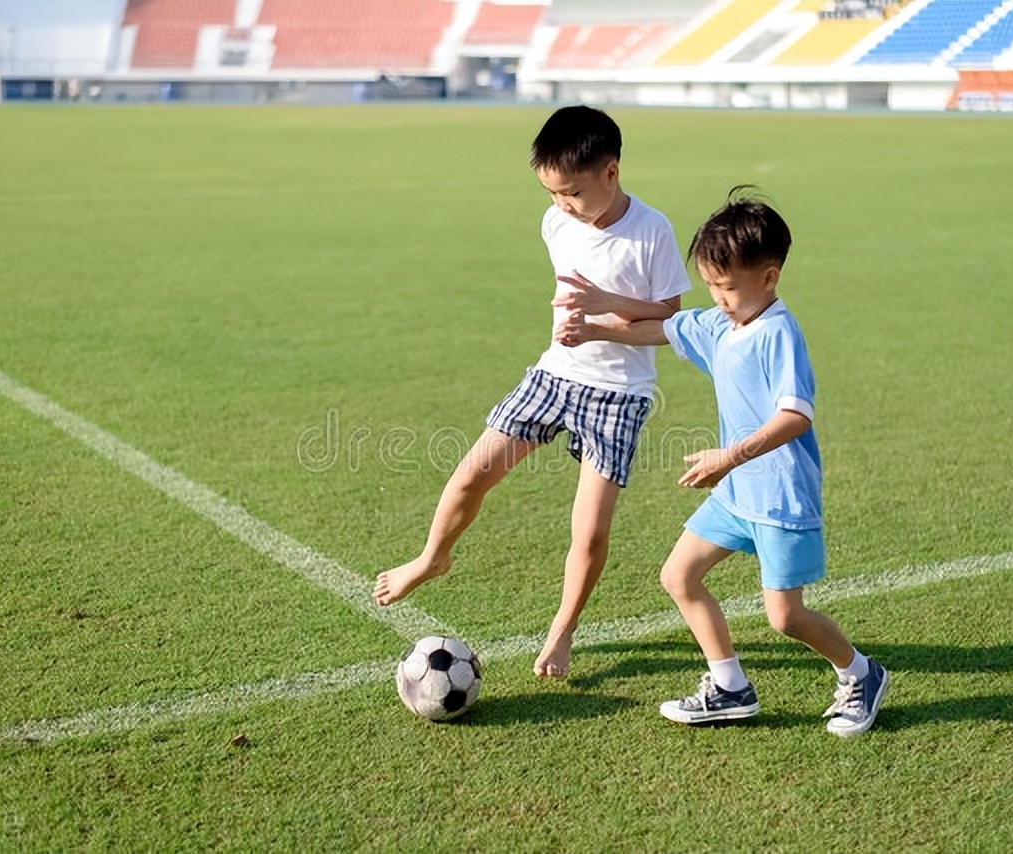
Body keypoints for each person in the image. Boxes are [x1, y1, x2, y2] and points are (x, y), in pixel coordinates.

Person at [553, 188, 888, 736]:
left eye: (727, 286)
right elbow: (661, 324)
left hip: (780, 495)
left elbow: (795, 417)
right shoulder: (720, 324)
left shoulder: (778, 332)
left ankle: (861, 673)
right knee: (678, 575)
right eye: (710, 283)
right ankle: (730, 685)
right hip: (736, 494)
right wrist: (594, 322)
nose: (717, 296)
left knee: (785, 617)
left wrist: (729, 457)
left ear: (770, 277)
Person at [373, 105, 693, 679]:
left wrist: (599, 316)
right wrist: (579, 328)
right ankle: (432, 557)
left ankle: (562, 631)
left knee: (589, 527)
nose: (561, 205)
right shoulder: (555, 224)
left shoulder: (652, 231)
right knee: (473, 471)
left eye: (571, 192)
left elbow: (668, 321)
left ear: (611, 173)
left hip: (619, 393)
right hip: (553, 374)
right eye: (551, 193)